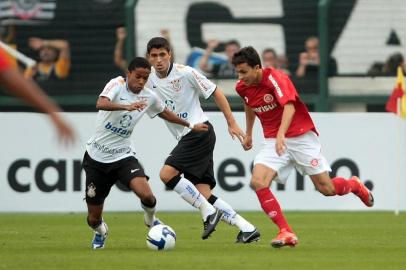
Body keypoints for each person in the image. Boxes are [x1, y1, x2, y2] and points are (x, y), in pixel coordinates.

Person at [231, 46, 374, 248]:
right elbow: (249, 105)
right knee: (258, 181)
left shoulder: (276, 78)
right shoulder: (242, 87)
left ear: (257, 67)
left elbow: (289, 106)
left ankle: (354, 185)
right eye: (238, 72)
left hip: (299, 137)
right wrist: (249, 133)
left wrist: (282, 133)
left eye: (244, 71)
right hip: (274, 140)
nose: (240, 76)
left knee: (327, 188)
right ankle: (286, 231)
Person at [83, 56, 209, 249]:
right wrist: (126, 106)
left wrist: (190, 125)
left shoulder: (149, 96)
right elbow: (100, 103)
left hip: (123, 156)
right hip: (96, 159)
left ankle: (150, 220)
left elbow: (166, 112)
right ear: (128, 74)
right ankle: (100, 232)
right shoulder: (116, 85)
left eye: (145, 78)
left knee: (148, 197)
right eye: (138, 77)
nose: (141, 82)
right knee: (93, 218)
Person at [145, 37, 260, 243]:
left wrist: (232, 122)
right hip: (190, 135)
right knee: (204, 193)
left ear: (170, 54)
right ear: (149, 58)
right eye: (154, 56)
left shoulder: (186, 72)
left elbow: (216, 91)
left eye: (163, 55)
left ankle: (208, 213)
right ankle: (247, 228)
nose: (159, 60)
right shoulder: (148, 79)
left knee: (166, 174)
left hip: (200, 131)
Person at [0, 48, 74, 143]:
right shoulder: (32, 70)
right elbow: (11, 79)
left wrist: (52, 113)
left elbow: (11, 80)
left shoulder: (59, 68)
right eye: (43, 49)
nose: (46, 52)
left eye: (49, 49)